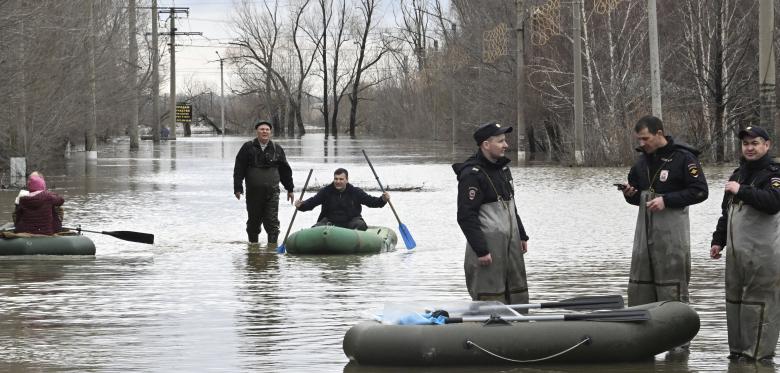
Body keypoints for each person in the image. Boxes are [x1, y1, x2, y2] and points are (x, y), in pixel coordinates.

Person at [709, 125, 780, 364]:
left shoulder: (774, 174)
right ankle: (738, 356)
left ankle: (759, 358)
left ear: (767, 145)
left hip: (764, 255)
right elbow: (725, 213)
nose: (749, 148)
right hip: (737, 255)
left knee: (759, 305)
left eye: (755, 143)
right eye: (745, 143)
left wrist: (743, 190)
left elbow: (773, 202)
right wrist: (718, 241)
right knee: (735, 304)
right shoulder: (736, 174)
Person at [620, 115, 708, 307]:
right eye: (639, 140)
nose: (642, 143)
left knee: (671, 296)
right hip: (644, 242)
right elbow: (637, 198)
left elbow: (700, 191)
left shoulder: (684, 158)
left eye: (646, 138)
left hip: (672, 243)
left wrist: (666, 200)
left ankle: (678, 335)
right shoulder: (641, 163)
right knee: (640, 293)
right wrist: (629, 193)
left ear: (659, 133)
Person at [452, 122, 530, 305]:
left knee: (518, 295)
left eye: (505, 141)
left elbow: (511, 206)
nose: (506, 145)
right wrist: (481, 250)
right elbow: (465, 216)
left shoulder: (503, 169)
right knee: (490, 299)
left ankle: (521, 330)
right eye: (501, 141)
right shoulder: (472, 174)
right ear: (486, 145)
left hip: (510, 246)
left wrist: (522, 235)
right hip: (487, 251)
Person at [233, 120, 294, 245]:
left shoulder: (277, 148)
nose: (264, 132)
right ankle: (253, 250)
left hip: (272, 193)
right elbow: (239, 169)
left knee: (272, 223)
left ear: (270, 132)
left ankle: (272, 252)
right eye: (262, 129)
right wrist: (237, 187)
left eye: (267, 129)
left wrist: (290, 189)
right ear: (257, 131)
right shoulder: (247, 147)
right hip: (253, 193)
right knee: (253, 223)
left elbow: (285, 170)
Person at [294, 168, 389, 230]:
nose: (338, 181)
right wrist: (301, 205)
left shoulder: (355, 191)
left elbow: (371, 202)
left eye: (341, 179)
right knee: (316, 229)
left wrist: (383, 200)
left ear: (347, 180)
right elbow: (312, 202)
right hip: (330, 222)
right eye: (336, 179)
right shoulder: (326, 191)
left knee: (360, 225)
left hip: (351, 222)